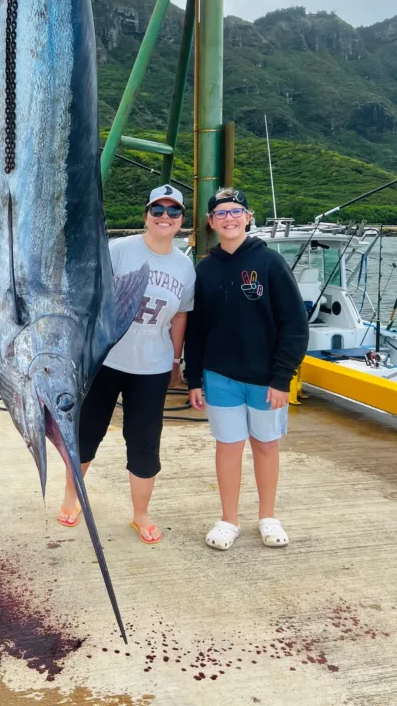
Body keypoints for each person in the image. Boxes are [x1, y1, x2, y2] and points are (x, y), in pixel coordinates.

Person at [57, 185, 195, 543]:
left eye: (173, 212)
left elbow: (180, 315)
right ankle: (71, 497)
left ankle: (141, 514)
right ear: (146, 215)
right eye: (158, 210)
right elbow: (88, 296)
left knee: (145, 441)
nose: (165, 217)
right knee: (87, 431)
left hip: (152, 366)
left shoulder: (184, 265)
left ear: (182, 220)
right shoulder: (119, 250)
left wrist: (176, 360)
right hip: (106, 358)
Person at [186, 188, 309, 551]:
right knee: (228, 446)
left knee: (266, 446)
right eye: (220, 213)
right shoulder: (204, 269)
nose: (228, 218)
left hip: (266, 378)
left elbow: (295, 324)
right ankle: (229, 519)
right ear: (211, 222)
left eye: (235, 211)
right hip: (219, 376)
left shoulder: (270, 263)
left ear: (248, 217)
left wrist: (282, 377)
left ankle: (268, 517)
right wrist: (194, 379)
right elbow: (196, 330)